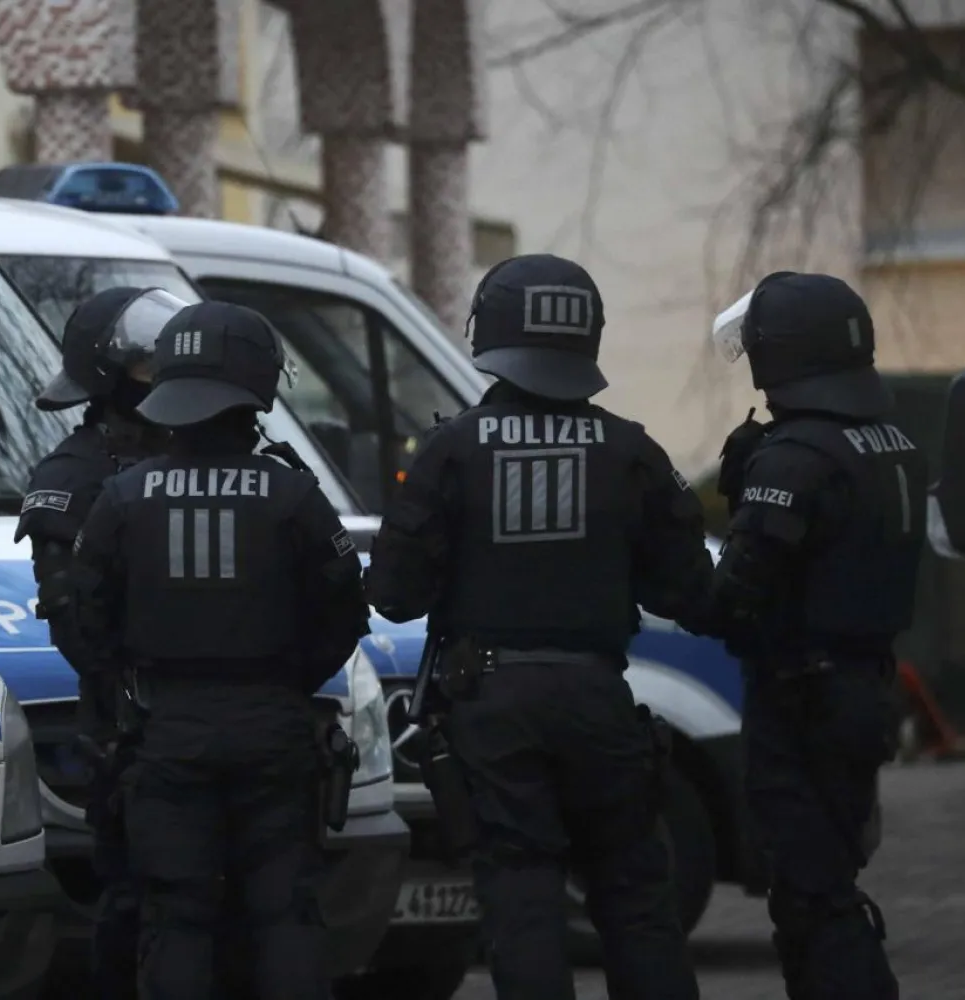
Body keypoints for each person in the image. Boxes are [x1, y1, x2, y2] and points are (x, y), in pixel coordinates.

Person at [365, 253, 706, 1000]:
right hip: (599, 699)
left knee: (520, 896)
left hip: (490, 707)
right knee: (636, 896)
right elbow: (689, 590)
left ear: (488, 333)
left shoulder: (450, 450)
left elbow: (392, 596)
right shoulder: (633, 450)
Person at [69, 300, 370, 1000]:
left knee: (177, 918)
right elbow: (345, 613)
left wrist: (135, 687)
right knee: (285, 914)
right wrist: (287, 684)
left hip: (166, 731)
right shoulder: (294, 495)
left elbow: (87, 623)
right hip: (273, 725)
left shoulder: (122, 497)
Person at [710, 272, 919, 1000]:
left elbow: (736, 595)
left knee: (811, 897)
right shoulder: (891, 442)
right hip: (865, 688)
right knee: (828, 875)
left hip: (803, 700)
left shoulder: (796, 457)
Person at [15, 285, 190, 1000]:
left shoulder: (218, 455)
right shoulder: (76, 476)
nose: (168, 378)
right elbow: (77, 627)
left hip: (236, 732)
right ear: (112, 377)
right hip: (136, 733)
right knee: (144, 908)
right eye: (152, 366)